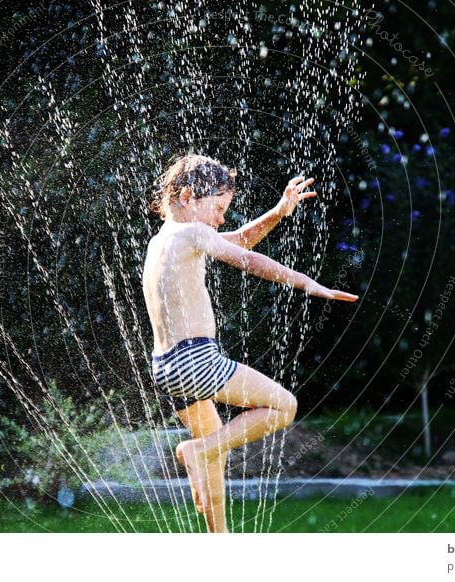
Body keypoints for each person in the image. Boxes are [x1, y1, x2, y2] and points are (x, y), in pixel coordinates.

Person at [142, 153, 358, 532]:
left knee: (214, 453)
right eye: (219, 207)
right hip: (196, 360)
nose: (222, 218)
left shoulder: (165, 239)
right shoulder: (193, 233)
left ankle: (219, 539)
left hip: (165, 368)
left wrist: (278, 212)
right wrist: (308, 283)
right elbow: (249, 259)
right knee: (283, 407)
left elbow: (238, 240)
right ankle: (200, 450)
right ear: (190, 196)